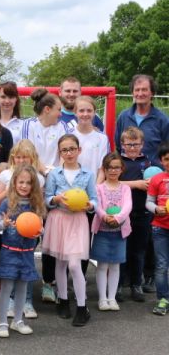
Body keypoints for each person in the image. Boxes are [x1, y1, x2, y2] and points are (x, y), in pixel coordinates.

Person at [115, 74, 169, 293]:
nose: (140, 94)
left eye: (144, 90)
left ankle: (146, 276)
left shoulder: (161, 119)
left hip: (154, 180)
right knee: (126, 227)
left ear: (152, 92)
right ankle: (125, 276)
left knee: (149, 229)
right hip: (129, 178)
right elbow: (117, 145)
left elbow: (166, 149)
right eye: (137, 90)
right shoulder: (123, 116)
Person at [42, 134, 97, 326]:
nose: (69, 153)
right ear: (60, 153)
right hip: (58, 219)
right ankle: (63, 300)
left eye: (72, 149)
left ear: (79, 150)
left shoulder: (88, 174)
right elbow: (47, 198)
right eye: (64, 150)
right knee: (61, 263)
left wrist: (90, 205)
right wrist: (56, 199)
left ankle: (82, 307)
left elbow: (95, 200)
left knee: (74, 264)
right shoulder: (54, 174)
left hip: (78, 220)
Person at [22, 88, 68, 304]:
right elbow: (27, 154)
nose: (61, 113)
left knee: (50, 239)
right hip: (31, 187)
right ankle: (23, 286)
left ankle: (49, 284)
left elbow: (64, 157)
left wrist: (52, 178)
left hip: (53, 189)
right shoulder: (27, 125)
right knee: (27, 235)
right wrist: (42, 175)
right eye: (58, 109)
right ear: (47, 109)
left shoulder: (63, 127)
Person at [0, 139, 44, 319]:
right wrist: (5, 224)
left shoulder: (35, 202)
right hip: (9, 247)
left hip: (28, 247)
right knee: (9, 279)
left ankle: (26, 303)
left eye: (28, 183)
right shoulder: (8, 197)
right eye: (19, 157)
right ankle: (8, 307)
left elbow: (40, 225)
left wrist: (40, 231)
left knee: (26, 277)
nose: (24, 186)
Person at [72, 96, 110, 275]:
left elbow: (102, 168)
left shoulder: (101, 138)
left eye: (89, 110)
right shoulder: (70, 135)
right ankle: (62, 282)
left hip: (90, 196)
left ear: (95, 112)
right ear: (75, 112)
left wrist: (92, 192)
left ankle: (81, 278)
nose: (85, 114)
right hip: (70, 194)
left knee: (85, 239)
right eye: (81, 110)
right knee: (67, 239)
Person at [91, 153, 132, 311]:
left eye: (116, 167)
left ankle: (112, 298)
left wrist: (118, 217)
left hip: (119, 232)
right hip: (102, 231)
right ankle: (102, 299)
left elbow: (128, 206)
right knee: (102, 266)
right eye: (109, 167)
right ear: (104, 169)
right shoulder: (98, 188)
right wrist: (104, 216)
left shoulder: (125, 188)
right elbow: (97, 206)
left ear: (122, 169)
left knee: (115, 266)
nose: (113, 171)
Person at [118, 127, 151, 302]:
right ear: (122, 144)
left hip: (143, 213)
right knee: (122, 251)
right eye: (128, 144)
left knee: (138, 252)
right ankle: (118, 285)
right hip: (123, 215)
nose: (132, 147)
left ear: (142, 144)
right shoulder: (118, 162)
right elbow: (113, 183)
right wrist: (136, 184)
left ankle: (136, 285)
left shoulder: (149, 163)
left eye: (135, 144)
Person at [146, 141, 169, 315]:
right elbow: (149, 202)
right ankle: (163, 298)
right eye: (167, 159)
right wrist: (156, 209)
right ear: (161, 161)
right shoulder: (157, 179)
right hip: (160, 227)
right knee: (161, 265)